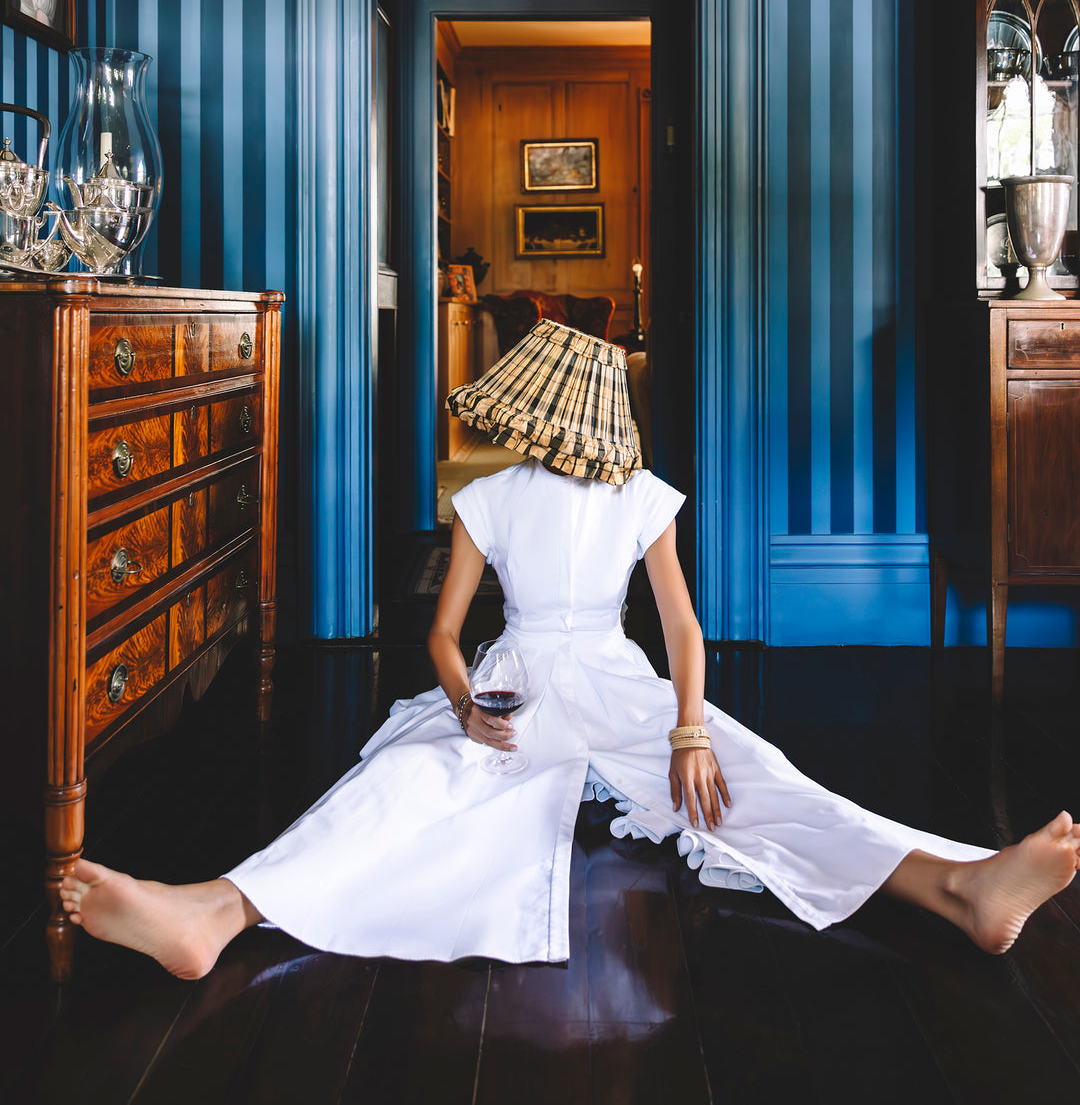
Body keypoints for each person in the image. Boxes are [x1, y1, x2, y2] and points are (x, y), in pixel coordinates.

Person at [59, 321, 1080, 980]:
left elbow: (677, 625)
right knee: (406, 785)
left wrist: (689, 730)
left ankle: (962, 887)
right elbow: (443, 635)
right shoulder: (492, 498)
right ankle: (218, 910)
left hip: (616, 686)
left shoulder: (636, 499)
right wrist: (463, 705)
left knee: (751, 776)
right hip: (517, 687)